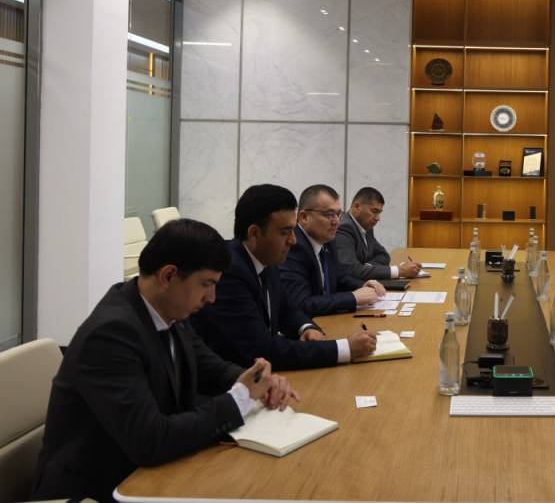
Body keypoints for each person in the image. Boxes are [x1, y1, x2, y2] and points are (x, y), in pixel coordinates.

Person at [31, 219, 297, 503]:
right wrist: (239, 398)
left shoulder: (167, 309)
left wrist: (259, 381)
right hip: (97, 488)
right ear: (168, 276)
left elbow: (209, 367)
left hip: (149, 474)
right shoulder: (111, 334)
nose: (212, 298)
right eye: (206, 284)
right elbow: (150, 440)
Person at [192, 184, 376, 370]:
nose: (293, 240)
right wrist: (344, 348)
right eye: (284, 232)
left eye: (293, 230)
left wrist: (305, 327)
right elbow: (263, 349)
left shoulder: (267, 258)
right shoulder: (229, 272)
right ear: (254, 234)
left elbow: (287, 309)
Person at [280, 184, 385, 317]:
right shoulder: (293, 247)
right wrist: (353, 297)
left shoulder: (327, 240)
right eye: (329, 214)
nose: (336, 222)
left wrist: (363, 285)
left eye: (338, 214)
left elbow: (338, 278)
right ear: (304, 217)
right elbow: (301, 304)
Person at [333, 186, 420, 280]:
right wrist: (399, 271)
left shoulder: (366, 226)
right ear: (357, 207)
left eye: (379, 213)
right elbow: (351, 270)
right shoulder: (344, 228)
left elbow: (383, 255)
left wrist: (367, 268)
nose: (377, 218)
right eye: (374, 211)